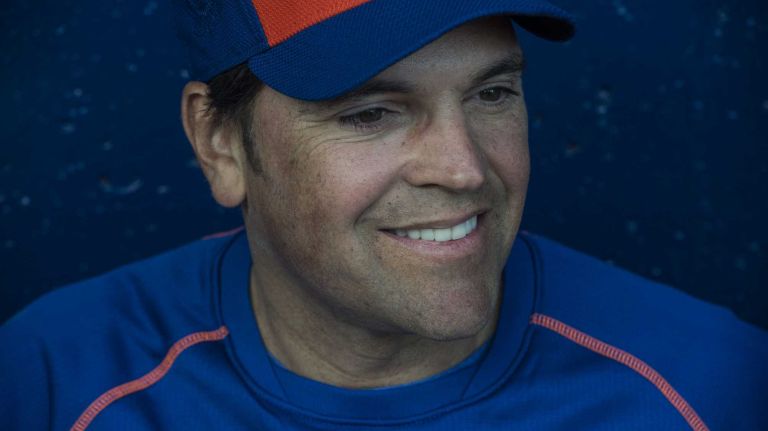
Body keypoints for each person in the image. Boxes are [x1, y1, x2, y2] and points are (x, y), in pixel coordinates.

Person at [1, 1, 766, 429]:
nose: (465, 169)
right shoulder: (52, 381)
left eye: (491, 93)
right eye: (370, 113)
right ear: (218, 141)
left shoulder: (713, 389)